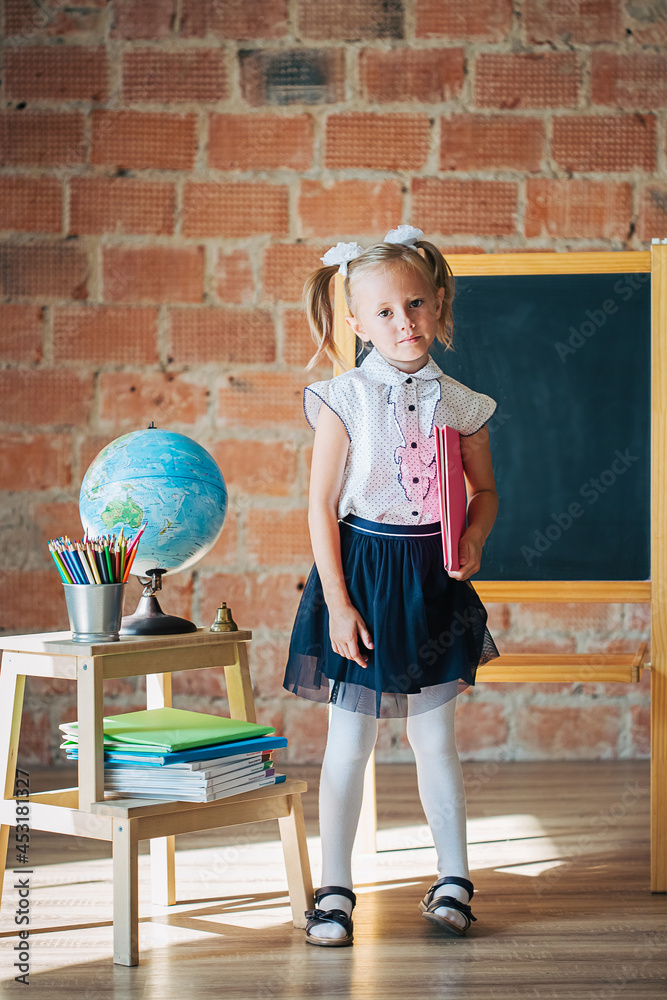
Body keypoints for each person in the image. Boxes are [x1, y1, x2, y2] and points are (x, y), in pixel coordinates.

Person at [283, 225, 500, 947]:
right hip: (363, 574)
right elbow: (320, 505)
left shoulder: (462, 403)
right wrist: (339, 604)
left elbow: (485, 491)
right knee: (351, 740)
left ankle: (452, 879)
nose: (402, 322)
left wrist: (471, 536)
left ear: (436, 306)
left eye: (414, 305)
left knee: (433, 738)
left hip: (429, 577)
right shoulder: (342, 398)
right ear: (355, 323)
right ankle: (335, 888)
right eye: (382, 312)